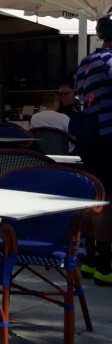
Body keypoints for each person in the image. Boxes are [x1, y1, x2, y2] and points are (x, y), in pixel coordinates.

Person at [76, 15, 112, 285]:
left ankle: (89, 259)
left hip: (90, 137)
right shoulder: (110, 61)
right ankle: (105, 264)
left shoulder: (87, 62)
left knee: (97, 196)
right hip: (108, 137)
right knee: (108, 201)